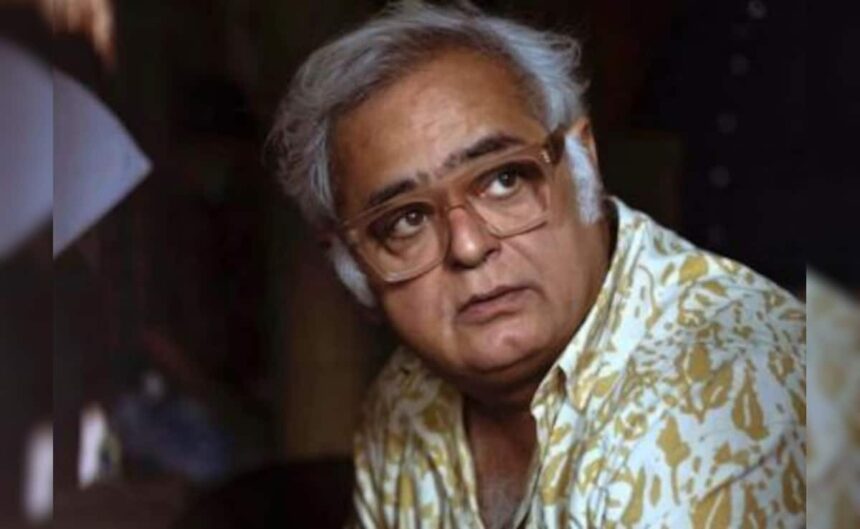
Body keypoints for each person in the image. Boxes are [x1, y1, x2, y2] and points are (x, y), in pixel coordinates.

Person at [266, 3, 805, 528]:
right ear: (348, 261)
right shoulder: (402, 401)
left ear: (583, 161)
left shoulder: (726, 395)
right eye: (406, 220)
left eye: (504, 180)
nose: (469, 246)